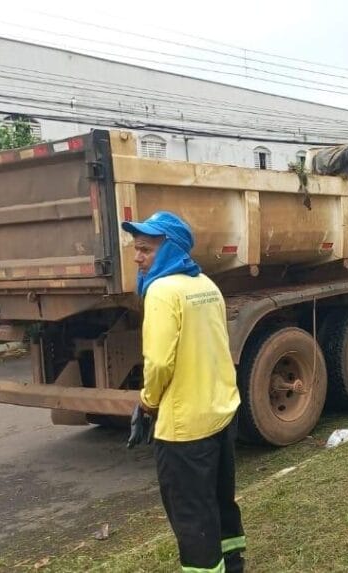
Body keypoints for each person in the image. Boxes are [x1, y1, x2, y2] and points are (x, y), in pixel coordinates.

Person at [122, 211, 246, 573]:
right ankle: (234, 563)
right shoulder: (206, 285)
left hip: (184, 428)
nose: (137, 257)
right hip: (220, 416)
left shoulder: (162, 291)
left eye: (145, 249)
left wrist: (146, 403)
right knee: (221, 502)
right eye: (136, 249)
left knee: (192, 516)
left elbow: (159, 364)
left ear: (170, 249)